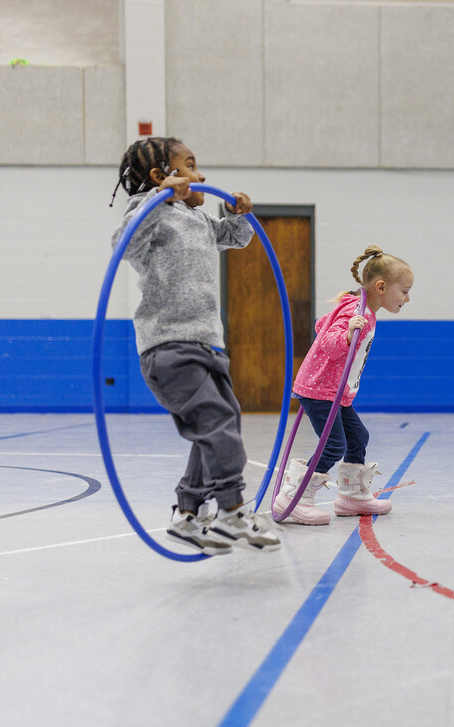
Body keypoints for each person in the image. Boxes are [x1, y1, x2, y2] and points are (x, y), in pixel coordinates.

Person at [110, 136, 281, 554]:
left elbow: (235, 238)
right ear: (161, 176)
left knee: (223, 422)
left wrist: (237, 214)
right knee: (217, 423)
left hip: (207, 344)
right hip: (168, 346)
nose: (201, 176)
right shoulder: (150, 212)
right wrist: (160, 200)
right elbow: (124, 244)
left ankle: (188, 514)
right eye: (189, 166)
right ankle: (231, 510)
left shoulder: (197, 221)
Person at [274, 245, 414, 524]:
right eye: (405, 291)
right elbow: (326, 340)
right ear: (382, 287)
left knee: (357, 437)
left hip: (335, 392)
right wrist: (347, 336)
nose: (407, 298)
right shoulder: (355, 309)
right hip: (320, 390)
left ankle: (351, 496)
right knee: (333, 444)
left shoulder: (360, 308)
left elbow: (320, 324)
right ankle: (293, 497)